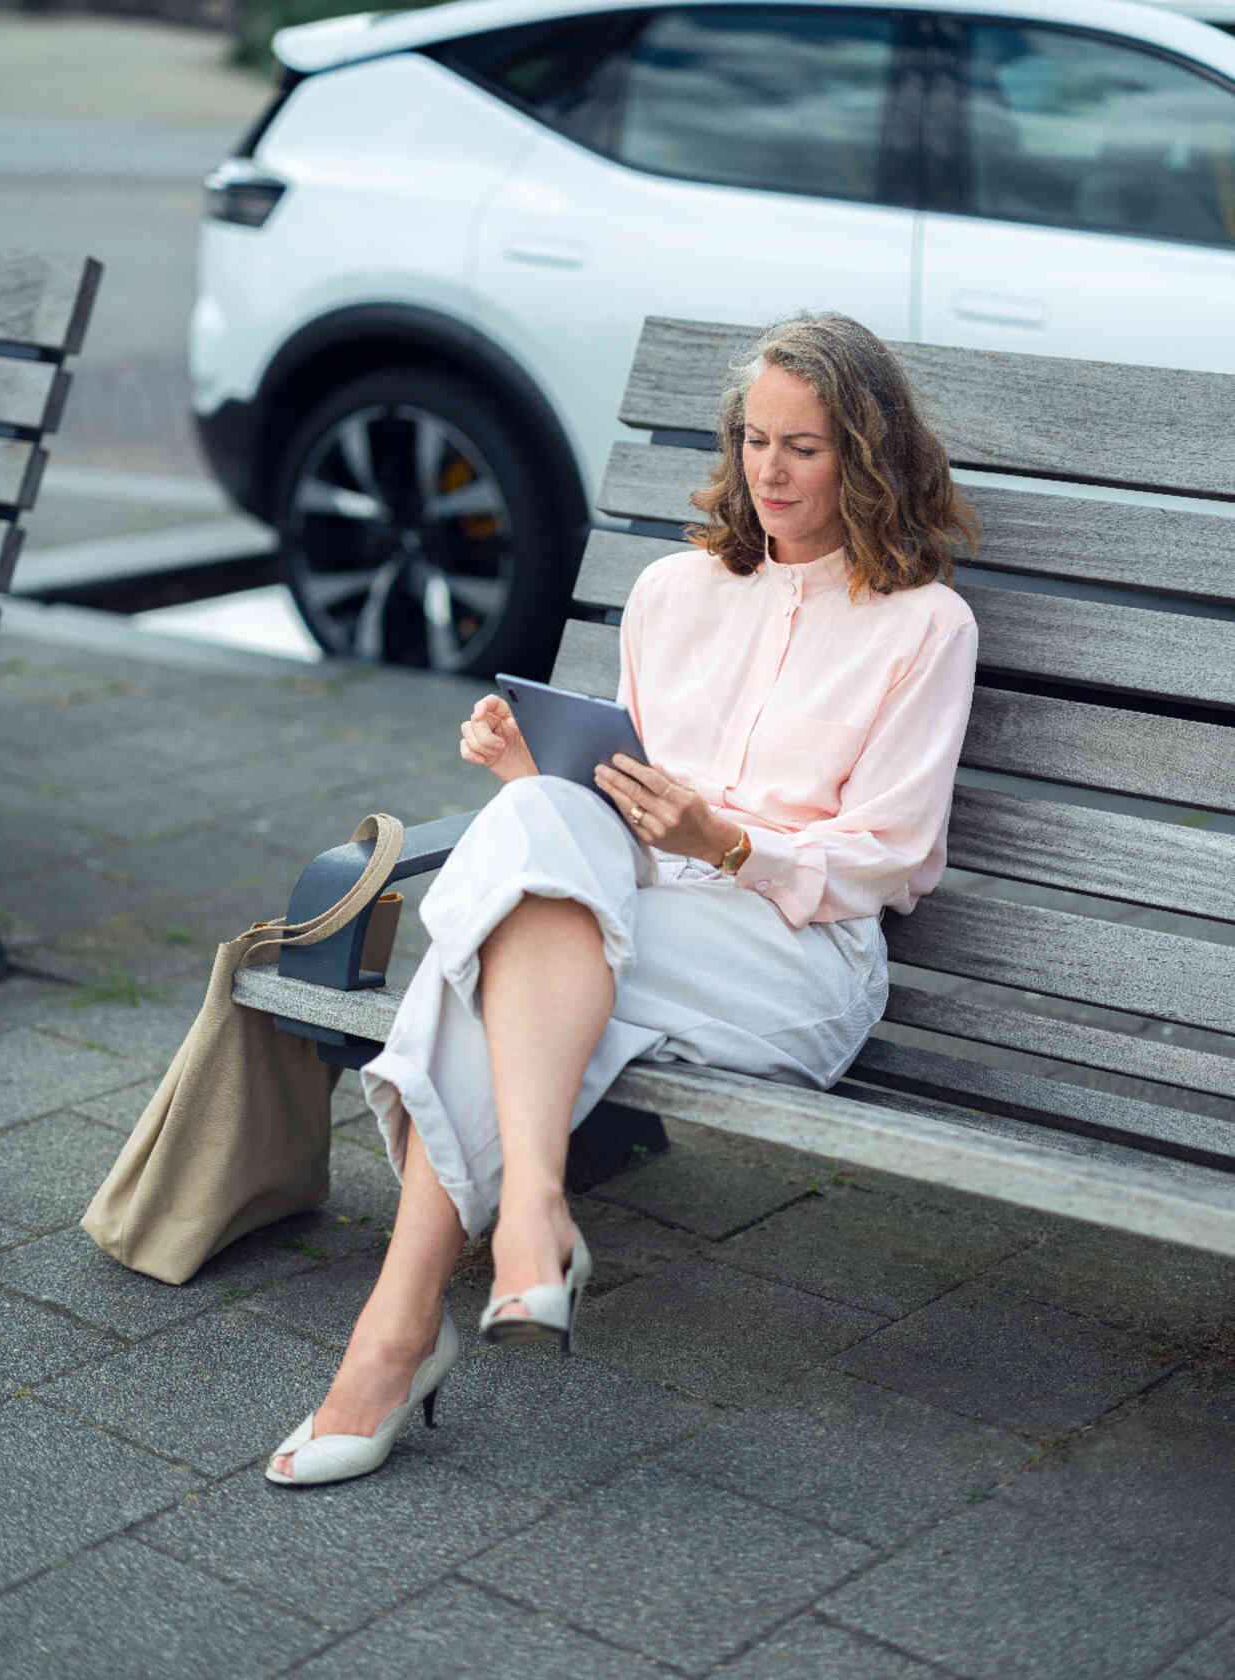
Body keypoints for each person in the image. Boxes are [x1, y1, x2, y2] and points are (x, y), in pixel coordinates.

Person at [266, 312, 980, 1487]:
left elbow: (893, 858)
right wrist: (531, 773)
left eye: (804, 447)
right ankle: (524, 1226)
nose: (770, 471)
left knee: (490, 954)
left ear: (865, 455)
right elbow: (610, 795)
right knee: (538, 820)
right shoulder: (671, 592)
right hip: (628, 910)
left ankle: (405, 1328)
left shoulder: (923, 624)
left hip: (794, 953)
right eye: (754, 440)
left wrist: (732, 845)